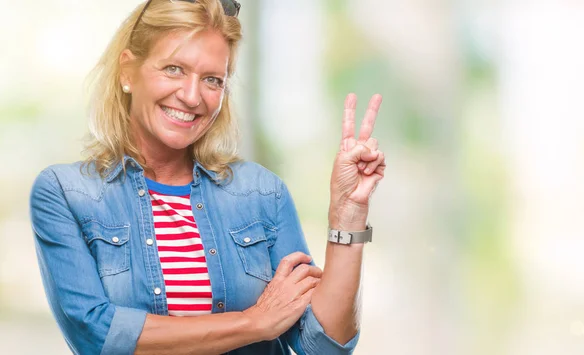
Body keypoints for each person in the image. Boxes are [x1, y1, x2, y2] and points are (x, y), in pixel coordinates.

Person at [29, 0, 386, 354]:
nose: (191, 96)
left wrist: (348, 215)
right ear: (127, 71)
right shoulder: (65, 193)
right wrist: (253, 323)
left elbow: (322, 348)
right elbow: (99, 336)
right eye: (173, 69)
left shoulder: (261, 192)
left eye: (212, 79)